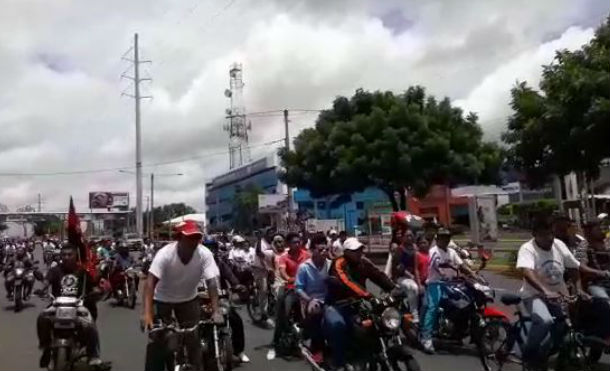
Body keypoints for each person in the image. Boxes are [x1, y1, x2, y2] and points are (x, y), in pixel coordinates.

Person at [516, 215, 610, 369]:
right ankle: (529, 354)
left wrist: (578, 288)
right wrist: (545, 290)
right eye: (544, 235)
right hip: (534, 295)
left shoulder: (559, 245)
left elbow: (574, 267)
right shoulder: (527, 249)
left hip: (558, 295)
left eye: (551, 233)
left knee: (562, 329)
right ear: (534, 234)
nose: (549, 238)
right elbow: (527, 272)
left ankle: (543, 356)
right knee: (545, 321)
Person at [142, 220, 222, 371]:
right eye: (190, 237)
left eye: (197, 238)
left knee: (194, 341)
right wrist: (147, 314)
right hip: (162, 300)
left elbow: (212, 283)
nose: (194, 242)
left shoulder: (204, 253)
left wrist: (216, 311)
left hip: (189, 299)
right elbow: (150, 283)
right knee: (159, 342)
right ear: (179, 238)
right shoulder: (165, 254)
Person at [324, 237, 399, 369]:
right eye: (355, 250)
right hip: (338, 304)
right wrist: (367, 295)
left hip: (360, 303)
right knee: (338, 325)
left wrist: (393, 288)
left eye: (360, 250)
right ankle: (339, 362)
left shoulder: (363, 262)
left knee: (380, 323)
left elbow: (378, 275)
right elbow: (346, 281)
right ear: (346, 252)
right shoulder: (339, 263)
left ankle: (374, 353)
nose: (359, 253)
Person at [36, 243, 104, 368]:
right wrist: (43, 288)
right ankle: (45, 346)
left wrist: (97, 291)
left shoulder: (83, 272)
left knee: (90, 325)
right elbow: (46, 280)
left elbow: (93, 286)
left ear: (75, 256)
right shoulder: (55, 270)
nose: (66, 257)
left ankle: (94, 355)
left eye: (69, 254)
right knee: (42, 318)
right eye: (64, 255)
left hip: (78, 306)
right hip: (58, 305)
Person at [420, 228, 480, 354]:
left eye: (447, 237)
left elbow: (462, 265)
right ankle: (426, 338)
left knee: (464, 303)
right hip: (435, 284)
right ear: (437, 239)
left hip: (451, 284)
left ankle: (458, 332)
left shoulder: (452, 252)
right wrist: (441, 273)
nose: (445, 240)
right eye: (442, 237)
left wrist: (473, 275)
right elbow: (435, 264)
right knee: (433, 307)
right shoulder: (433, 251)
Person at [202, 239, 250, 363]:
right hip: (200, 300)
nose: (211, 251)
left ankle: (239, 351)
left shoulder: (220, 264)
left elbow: (231, 277)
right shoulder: (195, 264)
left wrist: (238, 286)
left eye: (213, 248)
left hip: (220, 299)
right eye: (208, 248)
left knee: (236, 320)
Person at [267, 232, 310, 360]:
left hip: (306, 289)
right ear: (289, 244)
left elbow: (312, 267)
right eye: (294, 242)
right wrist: (289, 278)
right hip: (290, 288)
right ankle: (276, 339)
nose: (297, 244)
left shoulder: (306, 255)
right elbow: (282, 271)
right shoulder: (284, 257)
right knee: (283, 311)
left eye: (298, 242)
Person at [295, 232, 330, 362]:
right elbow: (298, 288)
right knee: (316, 312)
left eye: (326, 249)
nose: (324, 252)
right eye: (321, 249)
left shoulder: (330, 265)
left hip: (328, 299)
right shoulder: (304, 267)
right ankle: (317, 349)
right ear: (313, 250)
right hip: (310, 300)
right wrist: (310, 300)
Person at [390, 227, 422, 322]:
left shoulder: (417, 248)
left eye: (411, 236)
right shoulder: (399, 250)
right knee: (413, 287)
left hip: (417, 275)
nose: (409, 238)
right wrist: (411, 276)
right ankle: (414, 314)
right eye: (407, 236)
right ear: (403, 237)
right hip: (402, 277)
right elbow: (399, 267)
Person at [252, 228, 278, 328]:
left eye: (273, 232)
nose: (272, 234)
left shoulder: (273, 243)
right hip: (260, 269)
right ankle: (264, 314)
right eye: (270, 233)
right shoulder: (261, 243)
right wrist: (267, 268)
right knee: (264, 290)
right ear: (265, 234)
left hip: (271, 269)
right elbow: (260, 254)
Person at [581, 218, 610, 299]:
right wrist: (599, 272)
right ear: (590, 231)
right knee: (605, 302)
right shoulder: (583, 245)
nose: (603, 231)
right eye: (599, 229)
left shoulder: (608, 243)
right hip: (596, 283)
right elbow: (581, 266)